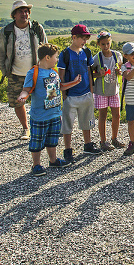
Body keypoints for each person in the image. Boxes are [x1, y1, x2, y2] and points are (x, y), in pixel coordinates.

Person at [16, 44, 79, 176]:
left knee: (52, 139)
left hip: (54, 114)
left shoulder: (53, 72)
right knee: (37, 140)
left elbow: (59, 87)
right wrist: (23, 97)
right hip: (39, 116)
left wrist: (74, 83)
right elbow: (26, 90)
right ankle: (36, 165)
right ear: (47, 57)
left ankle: (53, 160)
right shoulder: (33, 73)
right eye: (55, 57)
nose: (57, 60)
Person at [0, 0, 47, 140]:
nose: (24, 14)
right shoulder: (6, 31)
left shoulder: (37, 28)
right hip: (15, 74)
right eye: (20, 11)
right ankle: (26, 128)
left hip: (37, 72)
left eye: (26, 11)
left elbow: (46, 48)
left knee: (42, 101)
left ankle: (40, 127)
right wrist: (5, 71)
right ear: (14, 15)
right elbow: (1, 53)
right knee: (18, 102)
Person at [57, 24, 97, 163]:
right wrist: (64, 95)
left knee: (87, 121)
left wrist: (91, 91)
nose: (84, 41)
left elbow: (89, 72)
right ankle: (67, 150)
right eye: (82, 38)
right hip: (71, 95)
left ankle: (88, 145)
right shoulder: (65, 54)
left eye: (86, 38)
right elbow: (61, 75)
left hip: (86, 93)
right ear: (74, 37)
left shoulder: (87, 52)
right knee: (67, 124)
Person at [92, 30, 124, 151]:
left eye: (108, 43)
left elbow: (121, 68)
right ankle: (103, 141)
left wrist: (119, 71)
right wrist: (98, 74)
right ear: (98, 44)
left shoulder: (117, 55)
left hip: (114, 90)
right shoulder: (96, 58)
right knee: (103, 116)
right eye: (103, 44)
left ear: (111, 42)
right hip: (101, 92)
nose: (106, 46)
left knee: (117, 115)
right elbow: (91, 74)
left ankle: (114, 138)